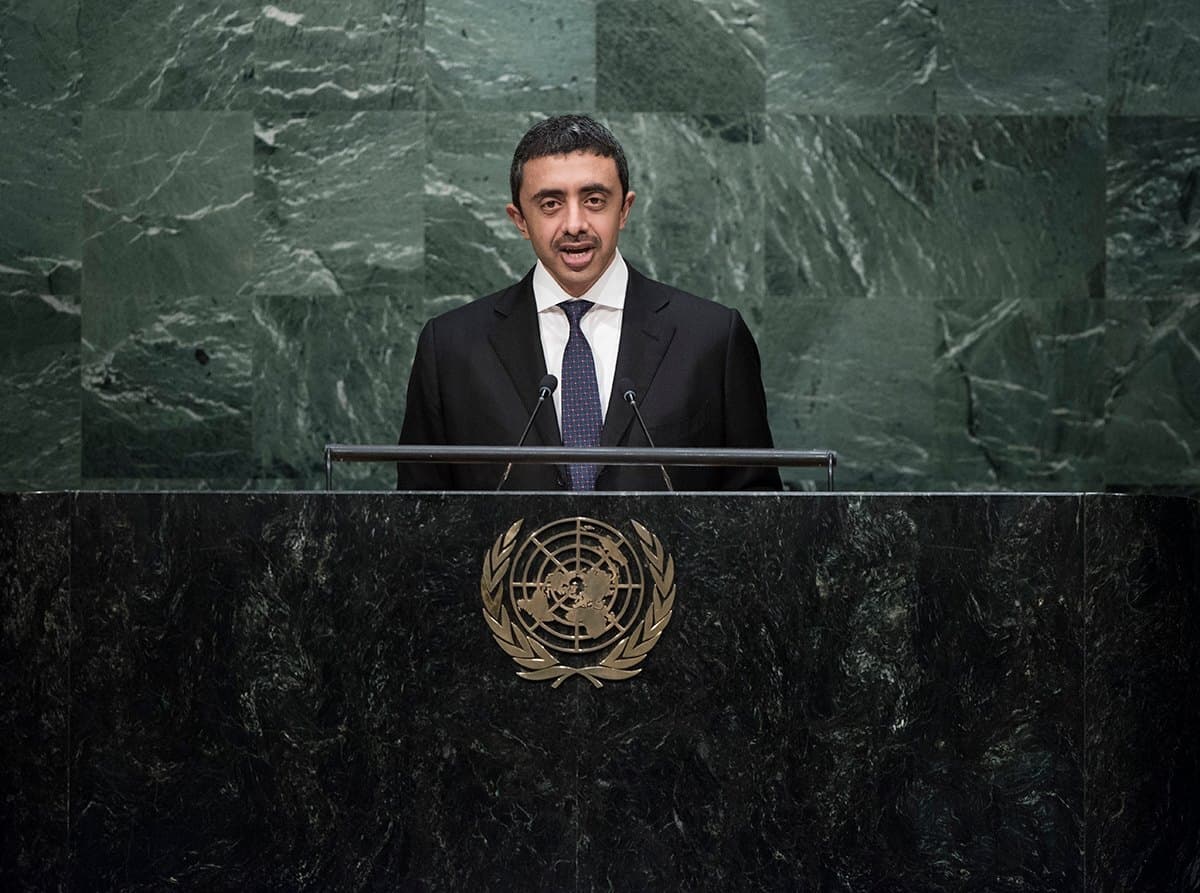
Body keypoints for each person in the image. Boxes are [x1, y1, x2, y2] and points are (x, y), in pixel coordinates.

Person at [397, 114, 781, 491]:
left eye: (594, 200)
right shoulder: (451, 347)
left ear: (625, 210)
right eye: (550, 204)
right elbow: (417, 517)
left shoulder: (712, 339)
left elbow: (758, 513)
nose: (575, 224)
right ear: (519, 220)